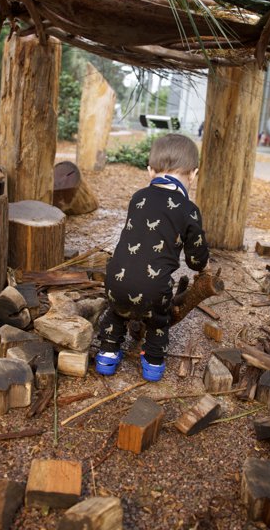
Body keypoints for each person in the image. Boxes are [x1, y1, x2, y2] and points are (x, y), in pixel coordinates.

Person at [96, 133, 210, 382]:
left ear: (150, 171)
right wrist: (201, 264)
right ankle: (153, 364)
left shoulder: (138, 198)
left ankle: (106, 354)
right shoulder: (189, 210)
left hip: (116, 279)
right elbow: (195, 259)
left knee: (116, 311)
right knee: (159, 319)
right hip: (154, 287)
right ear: (193, 174)